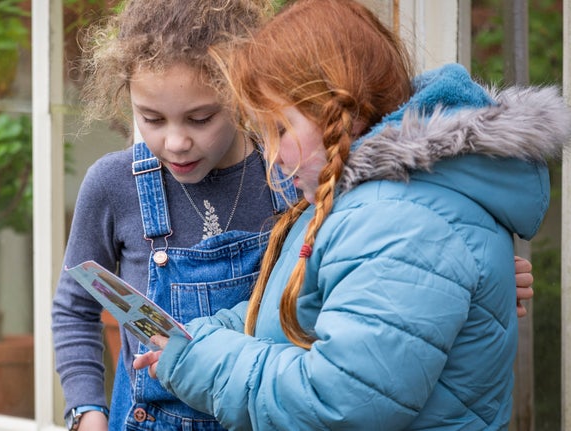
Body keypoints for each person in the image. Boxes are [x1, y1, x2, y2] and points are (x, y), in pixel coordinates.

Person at [133, 0, 570, 429]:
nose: (272, 157)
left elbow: (339, 404)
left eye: (281, 129)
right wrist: (198, 336)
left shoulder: (398, 220)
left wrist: (201, 361)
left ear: (344, 114)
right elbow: (293, 317)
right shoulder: (358, 201)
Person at [51, 1, 298, 430]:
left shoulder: (289, 173)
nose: (176, 142)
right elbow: (74, 308)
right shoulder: (113, 184)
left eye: (201, 118)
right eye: (151, 118)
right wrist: (86, 411)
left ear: (242, 91)